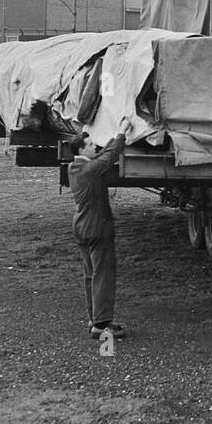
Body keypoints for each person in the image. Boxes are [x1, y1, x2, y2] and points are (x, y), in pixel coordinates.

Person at [68, 116, 133, 340]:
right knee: (103, 273)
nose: (94, 146)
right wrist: (122, 133)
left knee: (90, 275)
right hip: (96, 226)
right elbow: (108, 158)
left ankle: (94, 317)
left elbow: (102, 155)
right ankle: (102, 324)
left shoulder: (75, 167)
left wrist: (112, 139)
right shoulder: (89, 169)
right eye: (89, 145)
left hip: (81, 226)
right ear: (81, 150)